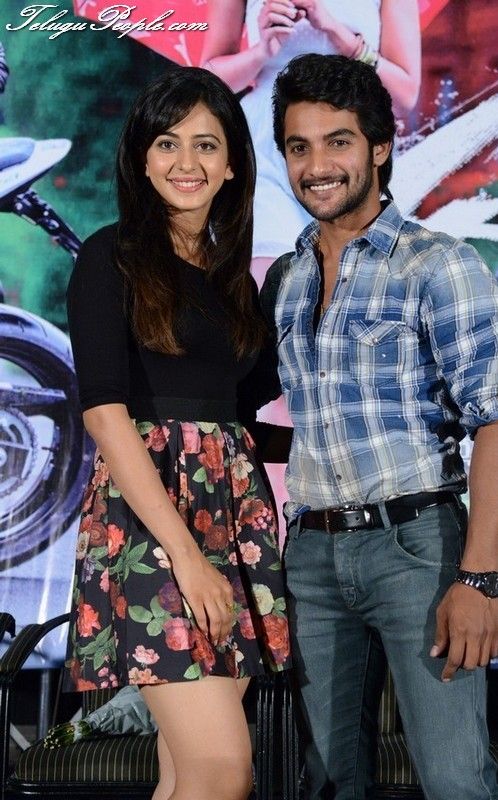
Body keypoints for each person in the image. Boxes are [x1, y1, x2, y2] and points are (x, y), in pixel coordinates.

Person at [261, 53, 498, 799]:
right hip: (311, 555)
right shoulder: (287, 278)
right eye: (299, 147)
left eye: (338, 142)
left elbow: (494, 421)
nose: (317, 166)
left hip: (417, 550)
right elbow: (316, 421)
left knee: (455, 780)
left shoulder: (439, 264)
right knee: (329, 784)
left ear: (381, 147)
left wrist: (479, 578)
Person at [63, 66, 290, 800]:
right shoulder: (111, 256)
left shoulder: (233, 282)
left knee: (189, 772)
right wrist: (187, 558)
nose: (185, 162)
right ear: (141, 156)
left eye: (205, 145)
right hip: (152, 524)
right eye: (167, 143)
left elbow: (237, 424)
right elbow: (105, 415)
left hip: (234, 519)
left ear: (232, 165)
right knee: (223, 771)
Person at [201, 0, 421, 282]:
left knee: (347, 287)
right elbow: (208, 82)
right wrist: (262, 50)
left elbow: (404, 96)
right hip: (268, 146)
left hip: (350, 147)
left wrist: (339, 34)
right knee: (274, 283)